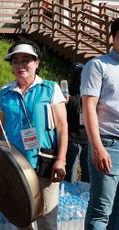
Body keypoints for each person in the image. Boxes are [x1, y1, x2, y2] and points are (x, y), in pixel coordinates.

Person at [0, 39, 68, 229]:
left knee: (47, 217)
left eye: (25, 60)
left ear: (36, 63)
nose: (20, 65)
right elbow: (1, 129)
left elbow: (62, 127)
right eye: (16, 61)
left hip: (44, 162)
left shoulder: (51, 88)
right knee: (21, 217)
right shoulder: (5, 92)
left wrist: (61, 160)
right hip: (15, 165)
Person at [81, 17, 119, 229]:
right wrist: (97, 147)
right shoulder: (98, 65)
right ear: (113, 38)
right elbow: (88, 108)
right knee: (100, 211)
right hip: (108, 144)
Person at [64, 62, 89, 183]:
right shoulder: (66, 93)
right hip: (72, 139)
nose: (79, 76)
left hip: (89, 140)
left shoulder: (91, 91)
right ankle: (69, 197)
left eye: (82, 73)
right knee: (70, 174)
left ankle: (87, 199)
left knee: (88, 174)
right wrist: (64, 101)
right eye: (76, 73)